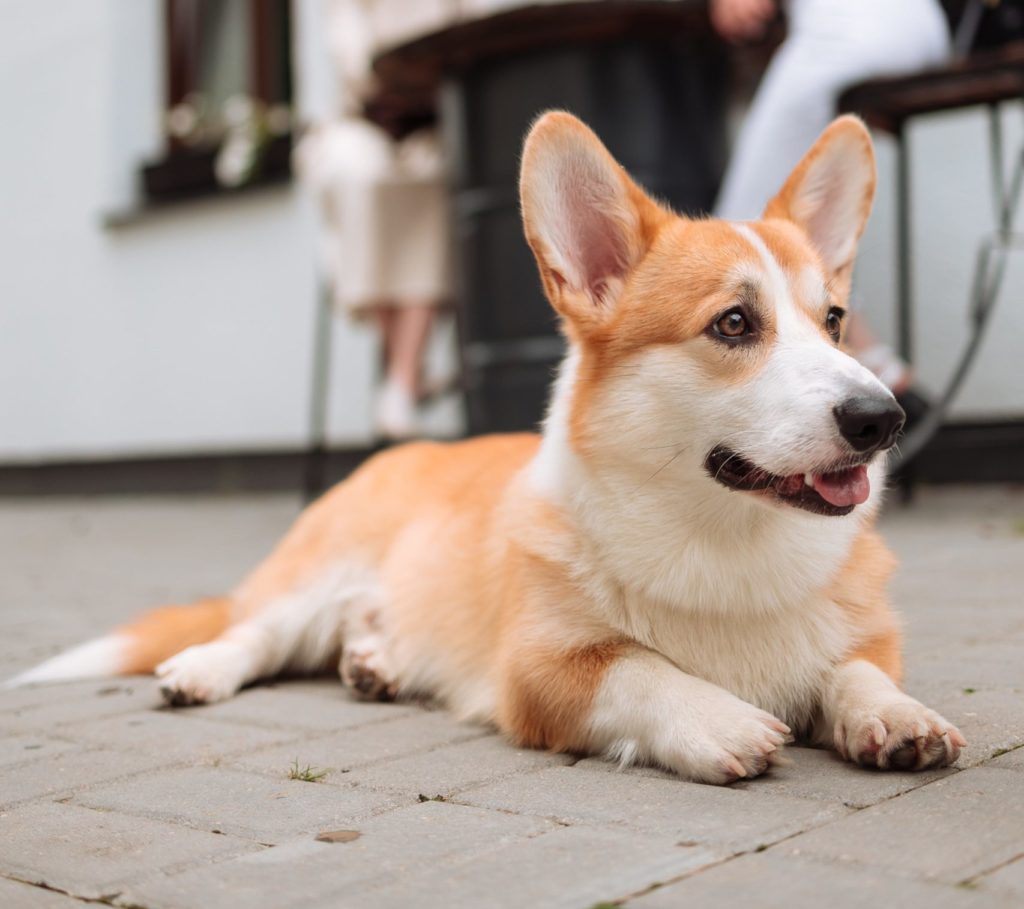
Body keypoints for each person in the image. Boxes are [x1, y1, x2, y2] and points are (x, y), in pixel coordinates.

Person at [711, 0, 951, 395]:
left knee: (738, 231)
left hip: (853, 23)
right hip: (897, 23)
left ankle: (852, 345)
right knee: (775, 220)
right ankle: (860, 342)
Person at [295, 0, 459, 441]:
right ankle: (407, 373)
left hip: (433, 130)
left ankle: (401, 379)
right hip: (364, 124)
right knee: (360, 177)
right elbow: (359, 66)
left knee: (437, 184)